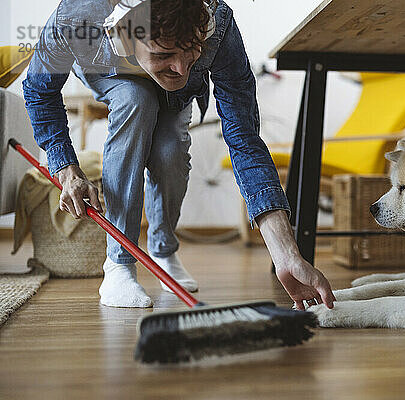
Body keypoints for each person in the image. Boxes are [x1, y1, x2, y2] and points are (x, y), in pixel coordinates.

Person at [23, 0, 335, 310]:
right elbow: (40, 90)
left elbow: (245, 139)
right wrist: (66, 168)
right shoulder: (78, 16)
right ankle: (118, 263)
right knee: (135, 100)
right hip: (112, 72)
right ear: (125, 35)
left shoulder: (219, 24)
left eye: (193, 53)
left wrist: (287, 255)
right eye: (164, 55)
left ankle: (163, 249)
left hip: (173, 96)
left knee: (171, 146)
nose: (181, 69)